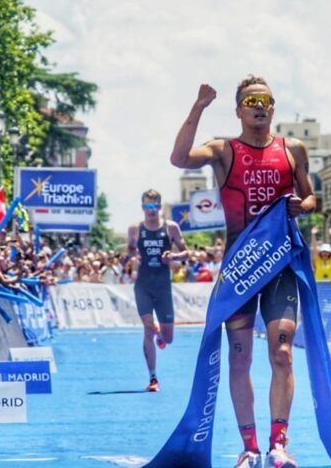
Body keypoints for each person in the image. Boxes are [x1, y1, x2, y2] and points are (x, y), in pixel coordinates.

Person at [171, 76, 315, 468]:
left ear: (273, 108)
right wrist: (198, 107)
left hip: (279, 265)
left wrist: (304, 205)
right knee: (240, 357)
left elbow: (310, 195)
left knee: (282, 353)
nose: (259, 106)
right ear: (238, 109)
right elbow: (179, 159)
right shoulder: (224, 150)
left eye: (266, 101)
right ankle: (249, 447)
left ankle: (278, 445)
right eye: (251, 100)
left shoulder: (292, 149)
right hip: (240, 268)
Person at [127, 189, 189, 392]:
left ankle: (161, 336)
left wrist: (174, 256)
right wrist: (129, 257)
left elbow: (187, 252)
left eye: (154, 206)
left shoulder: (171, 228)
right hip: (143, 286)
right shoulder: (135, 228)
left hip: (163, 287)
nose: (150, 210)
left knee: (168, 338)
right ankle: (153, 377)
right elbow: (128, 252)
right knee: (147, 328)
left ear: (160, 207)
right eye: (147, 206)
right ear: (142, 207)